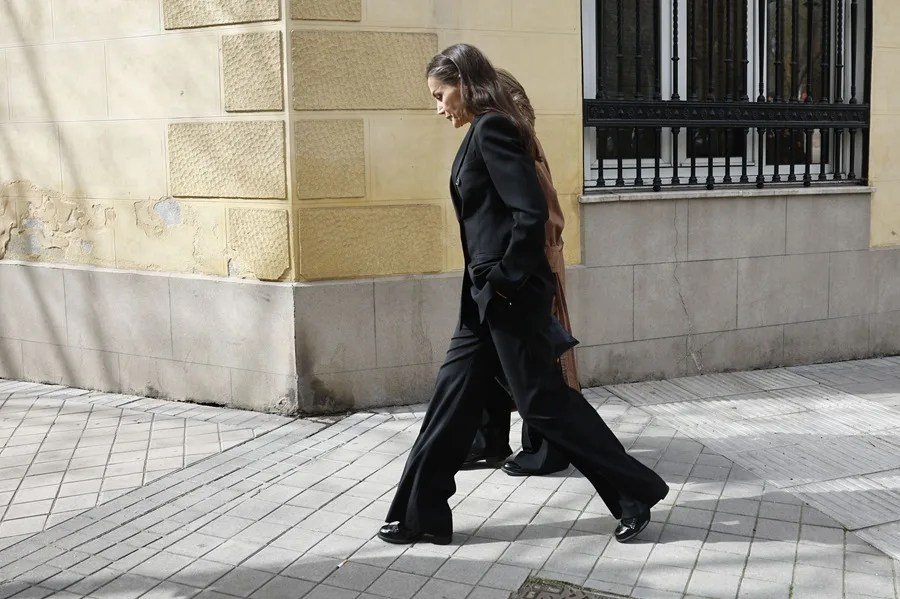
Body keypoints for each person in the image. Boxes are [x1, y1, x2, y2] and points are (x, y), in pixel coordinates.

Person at [377, 43, 669, 547]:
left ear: (464, 84)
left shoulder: (492, 128)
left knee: (544, 406)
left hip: (506, 298)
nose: (438, 106)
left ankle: (634, 492)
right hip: (481, 302)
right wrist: (485, 287)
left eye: (441, 94)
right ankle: (419, 515)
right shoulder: (480, 132)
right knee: (450, 401)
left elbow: (529, 214)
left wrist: (503, 280)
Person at [462, 68, 573, 477]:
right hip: (508, 269)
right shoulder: (503, 139)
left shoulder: (511, 142)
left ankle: (546, 448)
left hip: (527, 268)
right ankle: (488, 441)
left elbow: (540, 214)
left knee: (539, 364)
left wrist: (514, 269)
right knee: (494, 361)